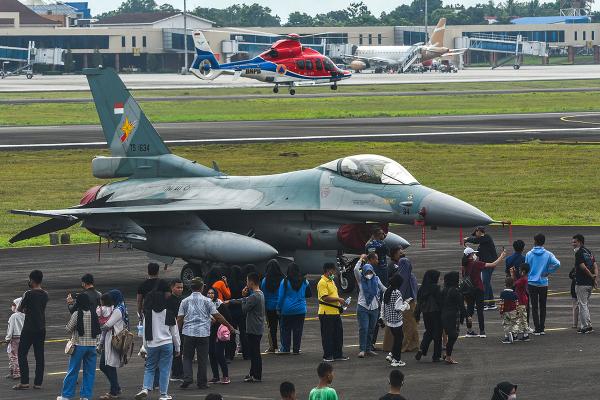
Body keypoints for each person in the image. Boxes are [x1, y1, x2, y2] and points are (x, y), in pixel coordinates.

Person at [178, 277, 233, 390]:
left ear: (191, 287)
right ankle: (202, 382)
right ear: (202, 288)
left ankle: (187, 378)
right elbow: (218, 316)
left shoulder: (184, 301)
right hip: (203, 333)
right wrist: (229, 326)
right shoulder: (207, 301)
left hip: (188, 332)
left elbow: (179, 319)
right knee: (202, 359)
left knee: (187, 357)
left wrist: (176, 333)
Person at [58, 293, 101, 400]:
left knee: (73, 371)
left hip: (78, 346)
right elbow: (98, 330)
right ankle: (86, 396)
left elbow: (68, 329)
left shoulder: (77, 314)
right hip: (92, 346)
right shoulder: (94, 313)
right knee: (89, 373)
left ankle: (66, 396)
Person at [228, 271, 265, 383]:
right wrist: (231, 301)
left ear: (251, 282)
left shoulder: (254, 296)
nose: (246, 283)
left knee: (255, 353)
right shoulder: (260, 294)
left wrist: (243, 296)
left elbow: (244, 308)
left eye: (247, 281)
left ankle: (256, 375)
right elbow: (244, 301)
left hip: (253, 328)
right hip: (257, 327)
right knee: (254, 352)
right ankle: (252, 373)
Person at [15, 269, 48, 390]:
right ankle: (38, 383)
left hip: (29, 328)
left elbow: (19, 308)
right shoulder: (45, 294)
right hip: (41, 328)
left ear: (32, 280)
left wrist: (26, 310)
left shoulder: (28, 294)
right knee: (39, 356)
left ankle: (24, 382)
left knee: (22, 353)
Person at [462, 247, 506, 338]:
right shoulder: (477, 264)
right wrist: (501, 256)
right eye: (473, 253)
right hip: (478, 289)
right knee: (480, 311)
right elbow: (493, 264)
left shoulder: (464, 265)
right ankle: (482, 331)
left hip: (468, 291)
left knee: (469, 311)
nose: (475, 255)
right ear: (470, 255)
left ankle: (469, 330)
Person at [525, 233, 560, 335]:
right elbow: (557, 263)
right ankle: (542, 327)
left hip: (532, 282)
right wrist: (549, 271)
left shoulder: (529, 254)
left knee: (534, 306)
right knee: (543, 305)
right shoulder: (548, 254)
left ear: (535, 241)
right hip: (543, 282)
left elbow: (526, 268)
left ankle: (537, 328)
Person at [354, 253, 386, 358]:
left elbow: (383, 289)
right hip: (363, 307)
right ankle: (362, 349)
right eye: (366, 272)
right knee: (364, 328)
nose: (368, 273)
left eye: (370, 271)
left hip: (375, 308)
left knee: (371, 329)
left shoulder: (376, 279)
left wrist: (394, 289)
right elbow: (355, 270)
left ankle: (368, 349)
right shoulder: (361, 280)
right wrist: (360, 259)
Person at [98, 290, 128, 400]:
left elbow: (108, 325)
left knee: (106, 365)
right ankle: (116, 388)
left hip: (113, 340)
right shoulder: (120, 307)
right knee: (107, 365)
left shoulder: (118, 310)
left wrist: (97, 326)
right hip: (112, 340)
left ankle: (114, 390)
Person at [317, 263, 349, 362]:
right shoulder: (322, 282)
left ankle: (338, 354)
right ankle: (328, 355)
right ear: (328, 270)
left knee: (338, 334)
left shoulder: (331, 281)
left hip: (335, 312)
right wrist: (338, 299)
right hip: (326, 313)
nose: (334, 273)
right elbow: (325, 298)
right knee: (327, 335)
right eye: (333, 271)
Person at [389, 247, 419, 353]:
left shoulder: (400, 277)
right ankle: (412, 344)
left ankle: (408, 345)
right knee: (411, 324)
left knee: (408, 325)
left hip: (406, 303)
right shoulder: (411, 276)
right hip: (411, 302)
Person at [277, 263, 311, 355]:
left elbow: (281, 296)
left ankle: (286, 348)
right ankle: (296, 349)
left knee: (285, 329)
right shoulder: (305, 281)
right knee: (298, 330)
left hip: (287, 309)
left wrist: (278, 308)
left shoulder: (285, 281)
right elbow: (309, 294)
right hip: (301, 309)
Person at [464, 227, 498, 310]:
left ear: (479, 231)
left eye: (476, 234)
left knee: (485, 283)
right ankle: (491, 303)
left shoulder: (486, 237)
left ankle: (484, 303)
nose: (476, 236)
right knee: (487, 282)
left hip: (489, 264)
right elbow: (477, 253)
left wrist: (468, 239)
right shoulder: (483, 243)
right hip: (487, 264)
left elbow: (476, 240)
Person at [381, 274, 410, 367]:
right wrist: (406, 304)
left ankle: (392, 355)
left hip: (389, 320)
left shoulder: (387, 291)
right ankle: (396, 360)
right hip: (397, 321)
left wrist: (383, 317)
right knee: (399, 340)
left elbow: (383, 305)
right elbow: (398, 308)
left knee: (397, 339)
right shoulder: (397, 292)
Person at [414, 270, 443, 362]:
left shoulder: (422, 288)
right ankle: (436, 356)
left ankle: (422, 348)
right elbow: (439, 301)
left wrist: (417, 314)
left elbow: (418, 302)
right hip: (436, 312)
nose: (439, 279)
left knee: (429, 331)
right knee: (437, 334)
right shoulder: (436, 288)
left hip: (426, 313)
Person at [572, 234, 598, 334]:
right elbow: (595, 265)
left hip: (582, 283)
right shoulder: (589, 252)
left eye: (575, 242)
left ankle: (585, 326)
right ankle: (588, 324)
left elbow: (582, 267)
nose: (573, 244)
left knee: (582, 304)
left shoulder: (579, 253)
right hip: (589, 284)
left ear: (580, 242)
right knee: (585, 304)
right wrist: (595, 278)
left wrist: (592, 276)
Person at [206, 287, 232, 384]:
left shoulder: (220, 305)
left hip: (219, 334)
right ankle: (215, 376)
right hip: (209, 333)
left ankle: (225, 376)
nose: (210, 295)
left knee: (219, 354)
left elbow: (228, 318)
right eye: (208, 293)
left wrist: (216, 321)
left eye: (212, 293)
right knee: (211, 354)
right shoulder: (205, 304)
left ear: (216, 294)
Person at [440, 271, 466, 364]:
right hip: (453, 316)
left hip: (443, 315)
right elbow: (461, 305)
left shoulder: (444, 290)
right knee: (453, 336)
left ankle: (446, 354)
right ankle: (448, 356)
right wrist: (466, 316)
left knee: (449, 335)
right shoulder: (455, 291)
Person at [261, 259, 284, 353]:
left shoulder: (265, 280)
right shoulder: (283, 279)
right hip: (281, 307)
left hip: (270, 307)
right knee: (283, 327)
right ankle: (284, 346)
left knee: (272, 328)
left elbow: (263, 294)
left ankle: (273, 347)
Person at [166, 279, 185, 380]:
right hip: (174, 329)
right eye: (178, 287)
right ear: (172, 287)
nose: (180, 289)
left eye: (181, 287)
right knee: (176, 351)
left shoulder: (182, 299)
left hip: (181, 329)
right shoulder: (169, 301)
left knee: (179, 351)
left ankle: (178, 372)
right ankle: (177, 373)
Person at [226, 265, 245, 361]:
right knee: (243, 333)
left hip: (231, 312)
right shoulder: (243, 284)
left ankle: (230, 355)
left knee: (231, 334)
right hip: (241, 311)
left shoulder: (228, 284)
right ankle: (246, 353)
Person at [4, 297, 24, 380]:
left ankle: (15, 373)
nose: (12, 307)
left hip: (14, 338)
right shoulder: (25, 315)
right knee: (19, 356)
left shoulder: (14, 316)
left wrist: (7, 339)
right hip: (23, 338)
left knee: (13, 356)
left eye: (14, 305)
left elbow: (10, 329)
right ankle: (14, 371)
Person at [510, 264, 531, 341]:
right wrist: (514, 274)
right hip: (523, 301)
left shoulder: (523, 279)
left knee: (517, 318)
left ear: (523, 271)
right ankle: (525, 334)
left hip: (520, 301)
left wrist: (512, 274)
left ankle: (515, 334)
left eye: (519, 270)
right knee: (523, 318)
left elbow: (513, 284)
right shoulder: (524, 278)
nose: (519, 271)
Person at [499, 277, 519, 344]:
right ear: (513, 284)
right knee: (515, 323)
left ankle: (507, 336)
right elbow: (517, 303)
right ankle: (514, 334)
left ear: (505, 284)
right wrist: (517, 311)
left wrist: (501, 311)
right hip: (513, 311)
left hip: (506, 311)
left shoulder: (502, 293)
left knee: (506, 323)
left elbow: (502, 303)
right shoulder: (515, 294)